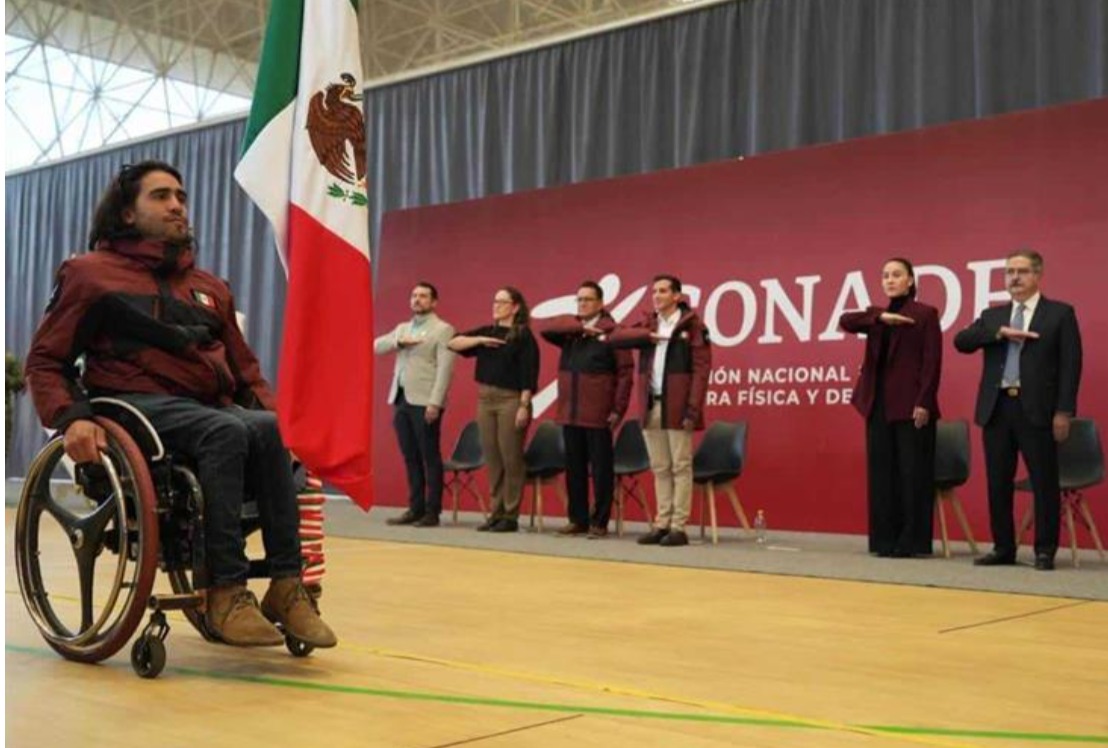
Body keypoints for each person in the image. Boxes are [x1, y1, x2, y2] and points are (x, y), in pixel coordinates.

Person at [24, 161, 336, 647]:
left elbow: (246, 372)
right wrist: (71, 419)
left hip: (205, 408)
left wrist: (284, 426)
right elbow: (46, 360)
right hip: (133, 404)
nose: (176, 206)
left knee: (269, 428)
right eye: (161, 196)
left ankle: (286, 585)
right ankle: (226, 591)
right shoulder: (90, 275)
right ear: (127, 213)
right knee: (226, 431)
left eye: (181, 197)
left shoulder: (209, 287)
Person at [954, 249, 1082, 571]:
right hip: (997, 408)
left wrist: (1064, 411)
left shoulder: (1059, 313)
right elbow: (962, 341)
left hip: (1038, 409)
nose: (1014, 277)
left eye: (1021, 271)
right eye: (1009, 272)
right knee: (998, 482)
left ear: (1037, 274)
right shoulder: (993, 316)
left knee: (1044, 482)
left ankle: (1045, 550)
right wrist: (999, 334)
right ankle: (1003, 548)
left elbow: (1071, 366)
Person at [839, 258, 942, 558]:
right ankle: (884, 541)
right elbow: (846, 321)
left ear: (910, 280)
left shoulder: (925, 314)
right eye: (885, 275)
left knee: (911, 474)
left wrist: (924, 400)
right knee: (882, 475)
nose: (890, 280)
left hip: (911, 404)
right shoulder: (876, 316)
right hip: (878, 404)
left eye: (897, 275)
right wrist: (882, 318)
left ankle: (911, 541)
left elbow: (932, 362)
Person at [610, 274, 711, 547]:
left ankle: (678, 527)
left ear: (677, 296)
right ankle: (661, 523)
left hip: (678, 406)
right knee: (660, 468)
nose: (656, 295)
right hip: (651, 404)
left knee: (680, 466)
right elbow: (616, 337)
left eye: (663, 291)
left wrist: (692, 409)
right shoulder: (649, 324)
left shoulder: (693, 326)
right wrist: (646, 336)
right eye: (654, 291)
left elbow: (701, 372)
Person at [538, 281, 634, 538]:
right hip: (570, 412)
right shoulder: (572, 332)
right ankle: (577, 519)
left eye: (588, 299)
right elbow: (546, 330)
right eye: (579, 299)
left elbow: (625, 375)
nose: (582, 304)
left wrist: (618, 409)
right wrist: (579, 326)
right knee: (574, 470)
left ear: (601, 303)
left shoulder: (613, 332)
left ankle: (599, 522)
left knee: (601, 471)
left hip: (598, 413)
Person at [448, 287, 540, 533]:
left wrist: (524, 405)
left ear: (515, 307)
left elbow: (529, 373)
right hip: (485, 399)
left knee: (511, 457)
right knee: (493, 457)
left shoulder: (523, 335)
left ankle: (510, 514)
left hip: (511, 399)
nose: (496, 305)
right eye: (495, 301)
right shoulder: (487, 332)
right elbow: (453, 342)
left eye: (502, 302)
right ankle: (495, 511)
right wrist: (479, 340)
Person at [374, 282, 456, 527]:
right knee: (410, 456)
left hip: (425, 400)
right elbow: (377, 346)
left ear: (434, 302)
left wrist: (435, 402)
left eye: (423, 296)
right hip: (401, 398)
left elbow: (445, 369)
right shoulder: (403, 328)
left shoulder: (443, 329)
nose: (417, 300)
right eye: (414, 295)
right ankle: (415, 507)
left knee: (429, 456)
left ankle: (432, 511)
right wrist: (399, 343)